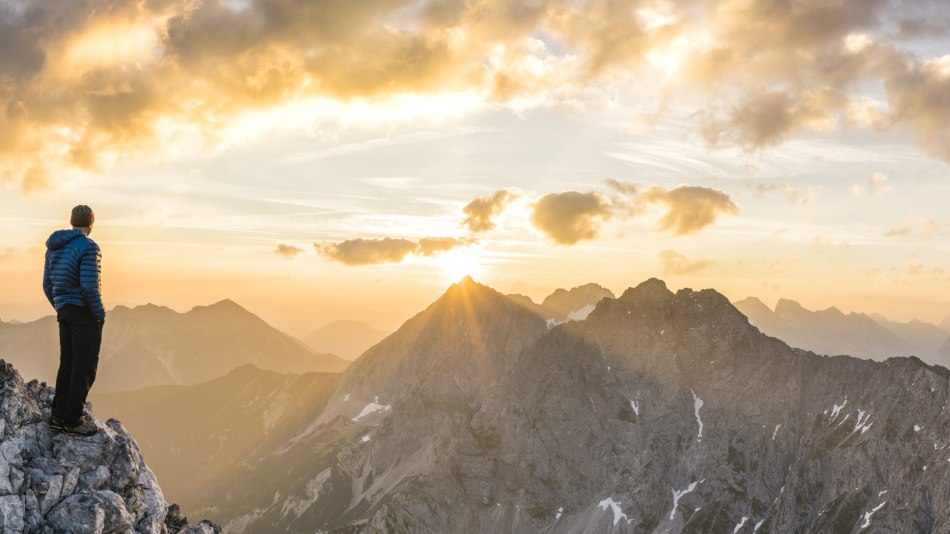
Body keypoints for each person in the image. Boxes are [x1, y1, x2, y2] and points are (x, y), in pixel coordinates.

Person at [42, 205, 105, 437]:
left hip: (64, 310)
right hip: (84, 312)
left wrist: (61, 306)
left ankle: (58, 416)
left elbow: (47, 285)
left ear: (71, 221)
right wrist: (99, 314)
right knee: (84, 366)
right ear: (91, 223)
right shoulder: (89, 247)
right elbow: (90, 287)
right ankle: (73, 420)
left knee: (67, 362)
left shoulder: (53, 248)